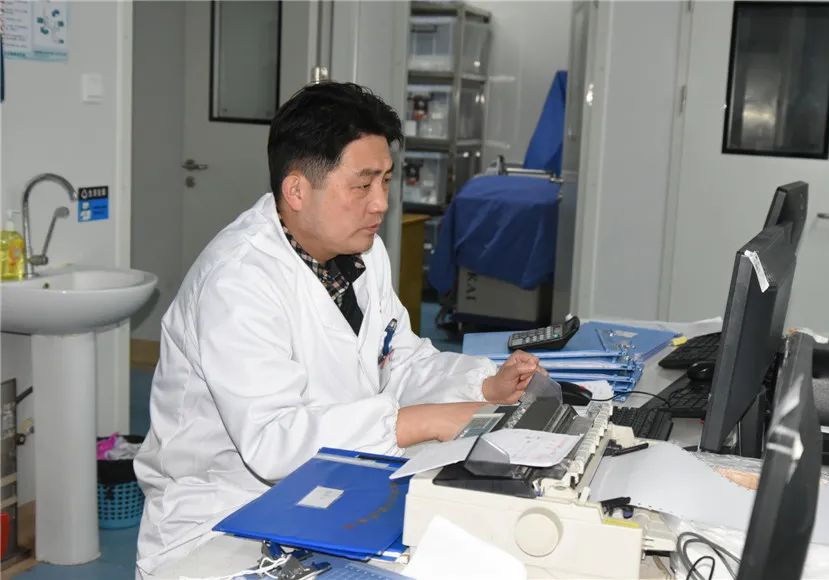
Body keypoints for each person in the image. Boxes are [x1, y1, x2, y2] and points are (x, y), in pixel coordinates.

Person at [134, 81, 541, 576]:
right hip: (223, 524)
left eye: (386, 181)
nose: (381, 203)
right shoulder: (237, 280)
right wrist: (425, 421)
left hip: (328, 495)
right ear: (297, 190)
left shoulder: (363, 253)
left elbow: (399, 359)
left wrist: (484, 385)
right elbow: (274, 441)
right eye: (362, 185)